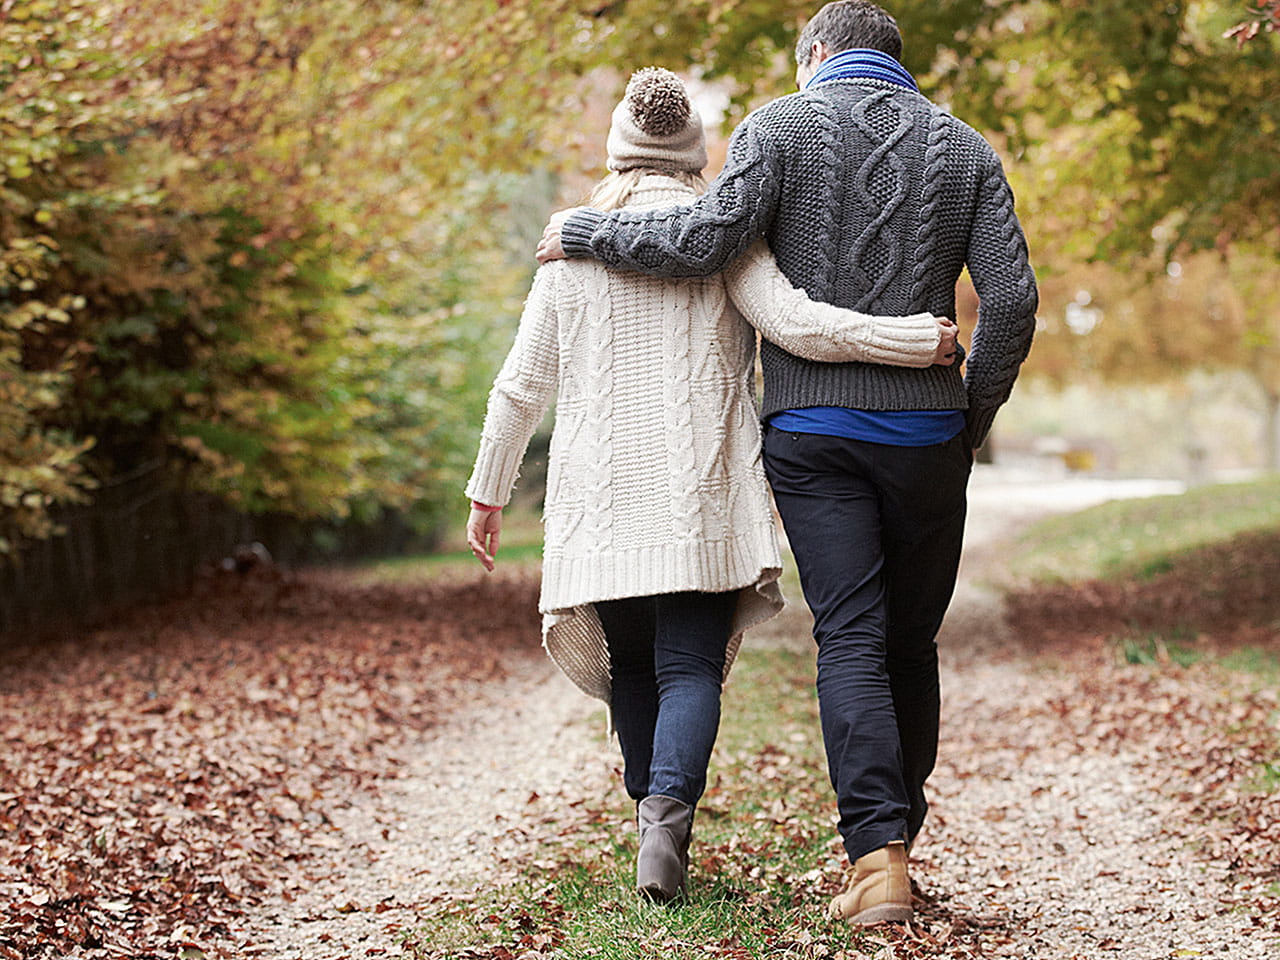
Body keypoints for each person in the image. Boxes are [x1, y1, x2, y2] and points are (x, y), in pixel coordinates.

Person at [535, 1, 1038, 926]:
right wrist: (970, 418)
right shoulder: (965, 148)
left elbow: (705, 243)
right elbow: (1011, 301)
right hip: (926, 435)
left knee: (849, 634)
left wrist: (589, 233)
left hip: (812, 431)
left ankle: (876, 855)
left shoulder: (779, 124)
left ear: (815, 56)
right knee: (908, 644)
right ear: (898, 63)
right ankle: (898, 850)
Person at [466, 66, 958, 904]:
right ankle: (669, 811)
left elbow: (521, 384)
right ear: (697, 157)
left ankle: (650, 828)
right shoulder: (725, 240)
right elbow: (802, 325)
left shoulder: (570, 244)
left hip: (602, 492)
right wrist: (915, 340)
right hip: (698, 493)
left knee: (631, 665)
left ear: (619, 150)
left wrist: (488, 490)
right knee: (691, 664)